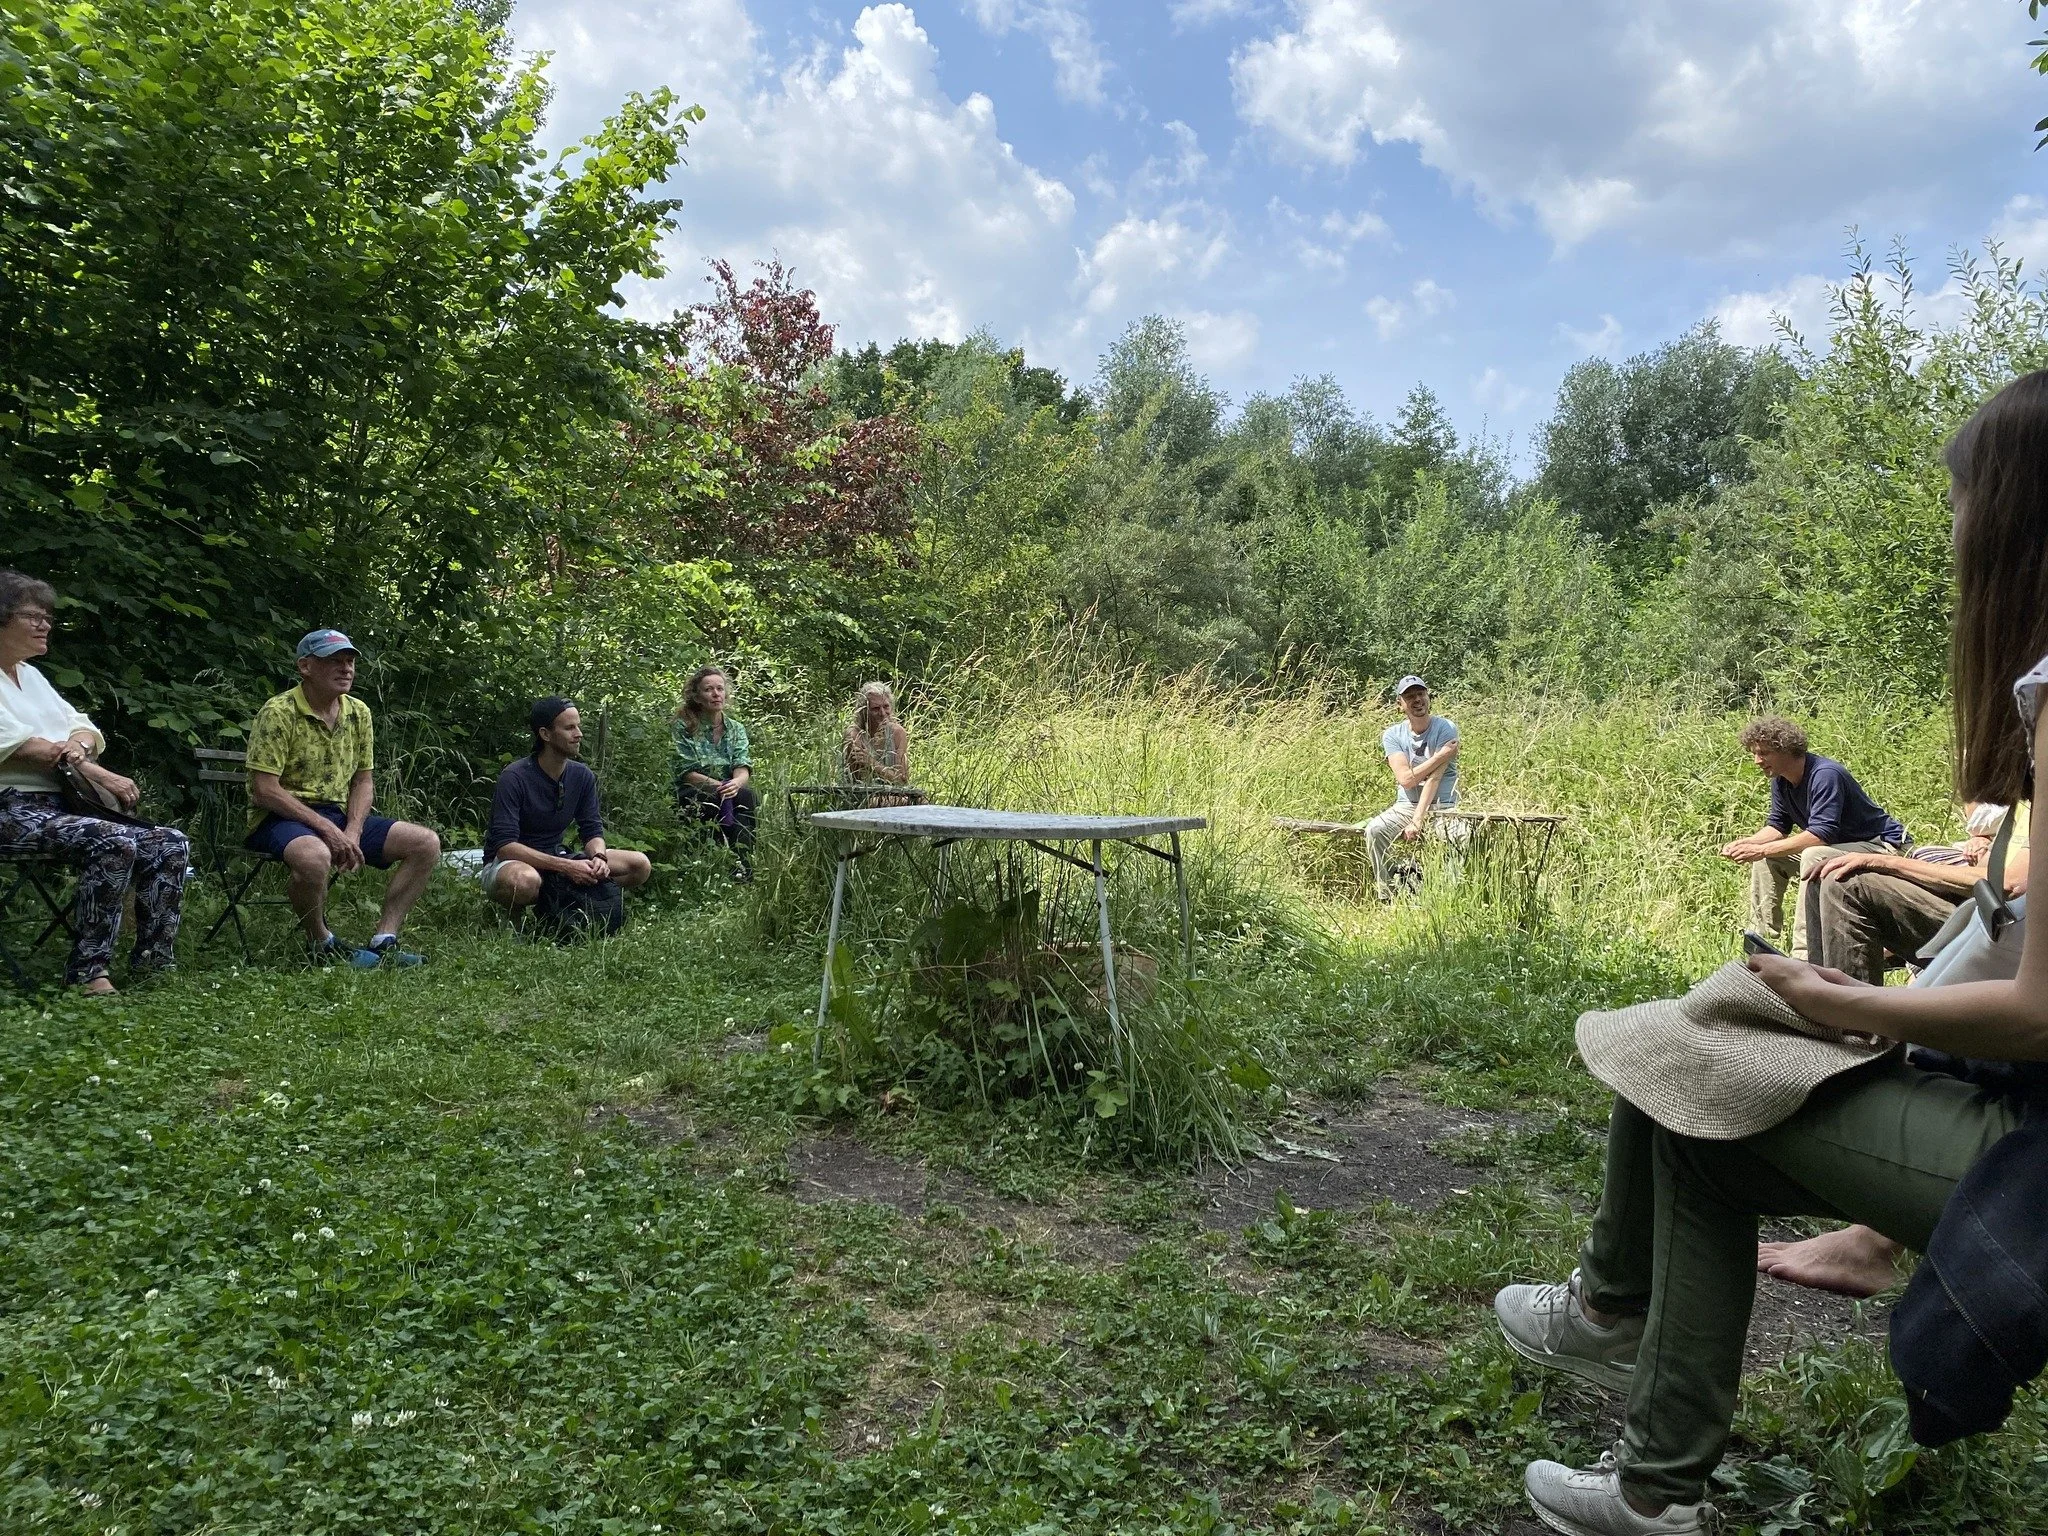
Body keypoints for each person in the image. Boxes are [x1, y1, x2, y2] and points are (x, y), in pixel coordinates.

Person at [1494, 370, 2048, 1536]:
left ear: (2012, 521)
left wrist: (1872, 1011)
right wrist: (1853, 992)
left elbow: (2042, 1014)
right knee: (1696, 1029)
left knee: (1703, 1120)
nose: (1949, 537)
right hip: (2013, 1109)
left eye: (1957, 507)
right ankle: (1606, 1317)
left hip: (2029, 1158)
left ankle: (1647, 1467)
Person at [0, 571, 188, 994]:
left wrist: (78, 749)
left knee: (169, 841)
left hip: (61, 804)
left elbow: (81, 728)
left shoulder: (30, 677)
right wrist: (95, 769)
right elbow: (23, 746)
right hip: (9, 807)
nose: (45, 624)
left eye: (48, 616)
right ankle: (89, 973)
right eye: (33, 615)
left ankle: (154, 962)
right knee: (112, 840)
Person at [243, 629, 440, 967]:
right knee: (314, 855)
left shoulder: (358, 712)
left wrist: (352, 830)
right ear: (305, 666)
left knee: (425, 843)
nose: (346, 668)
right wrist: (328, 829)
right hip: (278, 818)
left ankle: (385, 939)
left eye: (349, 662)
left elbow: (363, 780)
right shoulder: (278, 712)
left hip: (335, 816)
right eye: (334, 661)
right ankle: (322, 943)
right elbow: (265, 789)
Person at [1719, 717, 1909, 961]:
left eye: (1764, 753)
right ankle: (1760, 943)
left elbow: (1821, 835)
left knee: (1812, 855)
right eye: (1754, 753)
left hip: (1882, 845)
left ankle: (1804, 954)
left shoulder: (1826, 774)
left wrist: (1763, 849)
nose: (1757, 761)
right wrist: (1748, 844)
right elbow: (1777, 826)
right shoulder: (1781, 780)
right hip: (1838, 847)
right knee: (1768, 859)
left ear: (1785, 749)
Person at [1808, 803, 2030, 985]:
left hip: (2002, 934)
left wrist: (1886, 862)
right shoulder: (2024, 804)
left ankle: (1854, 1031)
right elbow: (1991, 867)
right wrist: (1984, 843)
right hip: (1978, 912)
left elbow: (2010, 884)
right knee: (1827, 874)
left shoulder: (2039, 802)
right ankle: (1818, 1000)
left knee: (1849, 885)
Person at [481, 697, 651, 913]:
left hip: (558, 855)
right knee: (524, 880)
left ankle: (572, 902)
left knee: (639, 865)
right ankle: (512, 919)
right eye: (570, 728)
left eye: (578, 726)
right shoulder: (514, 777)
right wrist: (567, 867)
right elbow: (505, 848)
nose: (579, 734)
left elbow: (591, 830)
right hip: (511, 864)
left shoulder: (581, 775)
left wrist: (599, 857)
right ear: (545, 734)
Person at [1364, 675, 1460, 900]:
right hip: (1405, 804)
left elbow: (1434, 780)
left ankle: (1448, 896)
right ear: (1400, 705)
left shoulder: (1446, 727)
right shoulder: (1392, 735)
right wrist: (1442, 755)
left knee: (1458, 836)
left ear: (1428, 697)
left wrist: (1418, 820)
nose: (1417, 700)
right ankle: (1387, 894)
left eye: (1420, 694)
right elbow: (1406, 780)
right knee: (1375, 830)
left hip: (1444, 805)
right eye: (1410, 697)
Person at [672, 665, 755, 881]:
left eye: (720, 688)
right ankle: (713, 866)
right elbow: (686, 772)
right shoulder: (684, 727)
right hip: (694, 789)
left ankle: (744, 867)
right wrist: (720, 786)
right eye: (709, 689)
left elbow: (742, 765)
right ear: (697, 696)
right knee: (713, 798)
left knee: (747, 797)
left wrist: (735, 783)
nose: (716, 694)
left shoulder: (735, 728)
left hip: (728, 788)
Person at [842, 682, 910, 789]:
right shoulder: (854, 735)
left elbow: (902, 780)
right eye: (876, 708)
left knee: (923, 802)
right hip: (863, 796)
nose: (882, 713)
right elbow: (858, 780)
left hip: (896, 794)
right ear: (864, 711)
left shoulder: (898, 733)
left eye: (886, 706)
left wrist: (871, 763)